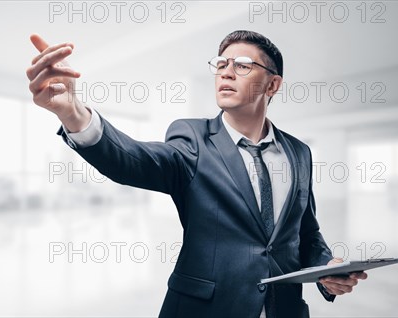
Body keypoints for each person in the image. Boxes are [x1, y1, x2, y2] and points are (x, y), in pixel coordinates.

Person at [26, 30, 368, 318]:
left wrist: (327, 269)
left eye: (242, 65)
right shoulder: (191, 138)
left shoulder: (299, 152)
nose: (226, 72)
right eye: (221, 65)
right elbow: (131, 159)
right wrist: (73, 113)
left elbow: (305, 232)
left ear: (273, 84)